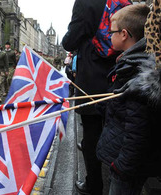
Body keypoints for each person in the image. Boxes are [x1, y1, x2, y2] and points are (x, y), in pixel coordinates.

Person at [62, 0, 132, 194]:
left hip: (92, 77)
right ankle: (117, 179)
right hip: (120, 71)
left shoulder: (86, 2)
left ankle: (94, 185)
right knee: (118, 127)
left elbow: (71, 39)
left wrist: (66, 41)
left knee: (91, 135)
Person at [95, 4, 161, 195]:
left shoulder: (136, 72)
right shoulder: (130, 61)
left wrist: (121, 166)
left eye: (112, 32)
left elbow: (137, 130)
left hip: (125, 168)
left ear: (124, 34)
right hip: (124, 159)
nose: (109, 36)